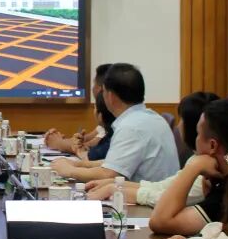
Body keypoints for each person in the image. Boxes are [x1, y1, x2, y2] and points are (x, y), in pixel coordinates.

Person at [49, 63, 179, 183]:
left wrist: (69, 171)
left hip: (147, 199)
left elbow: (109, 175)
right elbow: (115, 164)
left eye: (103, 91)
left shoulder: (131, 127)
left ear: (110, 96)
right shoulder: (151, 118)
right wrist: (78, 164)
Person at [85, 91, 218, 205]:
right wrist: (114, 185)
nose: (178, 126)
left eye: (181, 120)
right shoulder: (196, 160)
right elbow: (162, 187)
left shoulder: (206, 171)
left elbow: (164, 198)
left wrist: (116, 190)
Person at [148, 98, 228, 235]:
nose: (196, 139)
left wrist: (193, 167)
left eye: (198, 134)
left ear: (212, 145)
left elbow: (160, 221)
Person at [44, 64, 111, 158]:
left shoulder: (110, 118)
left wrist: (58, 142)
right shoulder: (103, 122)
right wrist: (59, 139)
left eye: (94, 84)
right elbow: (84, 141)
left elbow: (88, 148)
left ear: (100, 89)